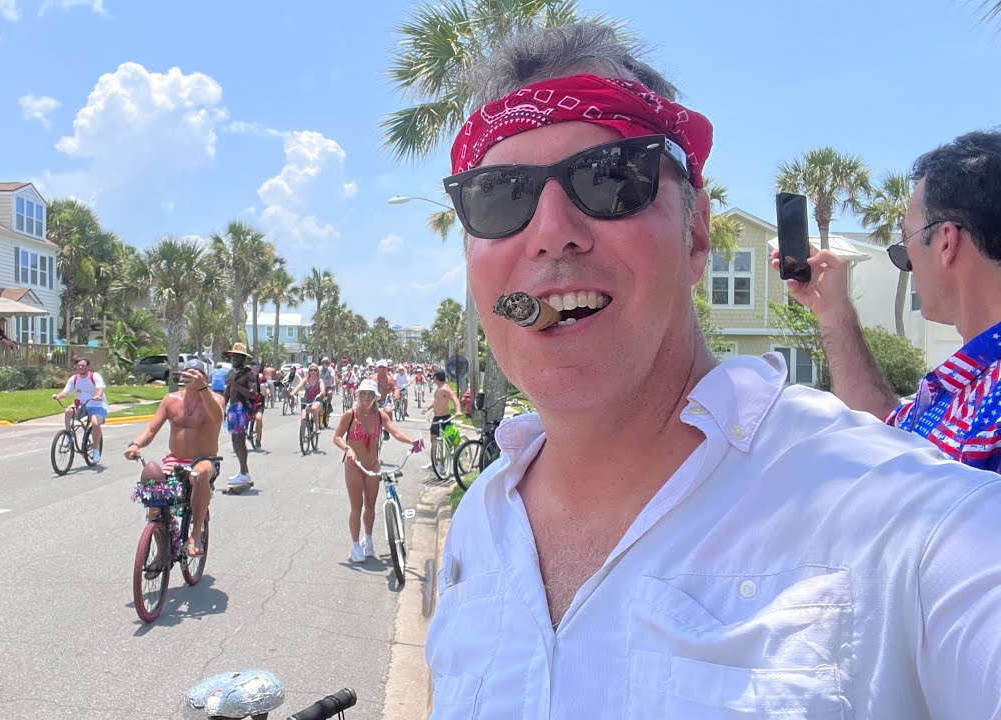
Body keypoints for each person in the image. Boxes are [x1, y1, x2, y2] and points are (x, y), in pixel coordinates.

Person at [424, 23, 1001, 719]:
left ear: (696, 237)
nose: (551, 231)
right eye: (499, 196)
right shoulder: (479, 523)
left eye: (610, 179)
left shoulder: (905, 522)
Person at [774, 131, 1001, 472]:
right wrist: (833, 310)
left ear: (945, 243)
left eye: (904, 244)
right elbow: (881, 441)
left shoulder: (990, 406)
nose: (906, 263)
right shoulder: (963, 388)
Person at [125, 359, 222, 554]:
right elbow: (151, 430)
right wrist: (136, 444)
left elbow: (218, 417)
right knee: (152, 484)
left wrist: (202, 389)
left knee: (199, 474)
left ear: (204, 377)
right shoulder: (171, 400)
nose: (190, 376)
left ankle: (195, 535)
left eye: (195, 373)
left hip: (204, 460)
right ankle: (162, 546)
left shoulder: (215, 399)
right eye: (187, 372)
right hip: (174, 460)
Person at [332, 379, 420, 562]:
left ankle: (369, 540)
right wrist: (347, 449)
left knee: (370, 507)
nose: (366, 397)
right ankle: (355, 546)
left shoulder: (380, 416)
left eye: (370, 394)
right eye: (363, 393)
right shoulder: (350, 414)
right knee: (357, 507)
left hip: (373, 465)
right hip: (354, 467)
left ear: (375, 397)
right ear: (357, 395)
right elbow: (337, 437)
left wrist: (412, 442)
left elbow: (395, 432)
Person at [51, 357, 106, 464]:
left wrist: (98, 395)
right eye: (79, 365)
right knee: (68, 411)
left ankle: (95, 450)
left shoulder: (94, 376)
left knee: (95, 423)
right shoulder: (74, 379)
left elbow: (100, 388)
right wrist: (58, 396)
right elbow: (66, 392)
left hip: (96, 405)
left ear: (88, 367)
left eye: (83, 365)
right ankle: (68, 434)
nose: (80, 367)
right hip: (81, 404)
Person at [222, 343, 258, 487]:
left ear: (243, 358)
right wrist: (222, 406)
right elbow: (226, 392)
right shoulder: (231, 372)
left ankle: (243, 473)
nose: (235, 358)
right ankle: (244, 472)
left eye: (238, 356)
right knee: (234, 442)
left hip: (242, 409)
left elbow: (253, 394)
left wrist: (235, 385)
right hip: (232, 409)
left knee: (240, 441)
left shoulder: (249, 373)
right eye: (233, 356)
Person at [422, 369, 461, 441]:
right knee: (433, 438)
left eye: (433, 377)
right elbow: (437, 401)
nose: (433, 379)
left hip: (444, 418)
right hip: (436, 417)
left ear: (436, 378)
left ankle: (451, 451)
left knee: (447, 440)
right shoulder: (438, 388)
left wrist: (458, 411)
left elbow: (455, 399)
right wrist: (428, 408)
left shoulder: (445, 389)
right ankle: (435, 452)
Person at [291, 364, 327, 434]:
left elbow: (322, 389)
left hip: (317, 399)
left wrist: (321, 393)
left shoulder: (320, 380)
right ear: (309, 371)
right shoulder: (305, 379)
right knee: (304, 414)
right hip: (306, 399)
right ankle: (304, 427)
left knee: (314, 409)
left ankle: (316, 428)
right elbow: (299, 386)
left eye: (315, 370)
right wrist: (294, 392)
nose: (313, 372)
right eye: (311, 370)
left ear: (317, 371)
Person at [318, 358, 336, 428]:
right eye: (324, 362)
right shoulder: (319, 369)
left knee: (330, 393)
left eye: (327, 363)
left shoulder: (330, 369)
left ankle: (329, 405)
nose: (326, 364)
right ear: (322, 363)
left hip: (328, 386)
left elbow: (333, 376)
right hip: (320, 387)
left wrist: (334, 383)